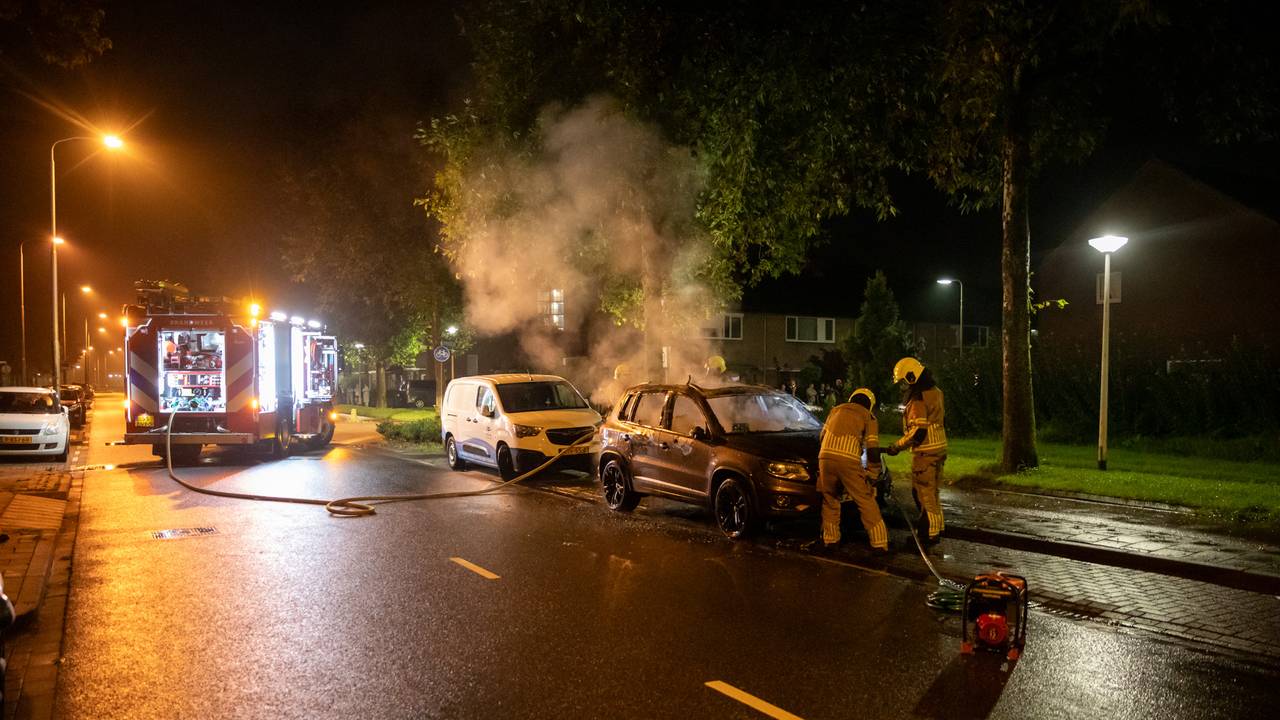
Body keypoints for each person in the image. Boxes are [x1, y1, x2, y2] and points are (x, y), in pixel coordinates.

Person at [884, 357, 948, 544]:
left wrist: (897, 446)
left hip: (925, 452)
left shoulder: (918, 400)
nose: (902, 387)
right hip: (940, 448)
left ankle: (930, 534)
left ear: (912, 377)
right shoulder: (936, 392)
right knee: (934, 492)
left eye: (903, 381)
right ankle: (938, 527)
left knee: (923, 494)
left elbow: (917, 431)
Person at [816, 388, 888, 551]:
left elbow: (822, 437)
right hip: (848, 460)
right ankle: (880, 544)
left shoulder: (835, 410)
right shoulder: (868, 416)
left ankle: (830, 540)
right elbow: (872, 449)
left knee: (830, 499)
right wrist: (873, 473)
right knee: (865, 499)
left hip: (825, 457)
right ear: (869, 405)